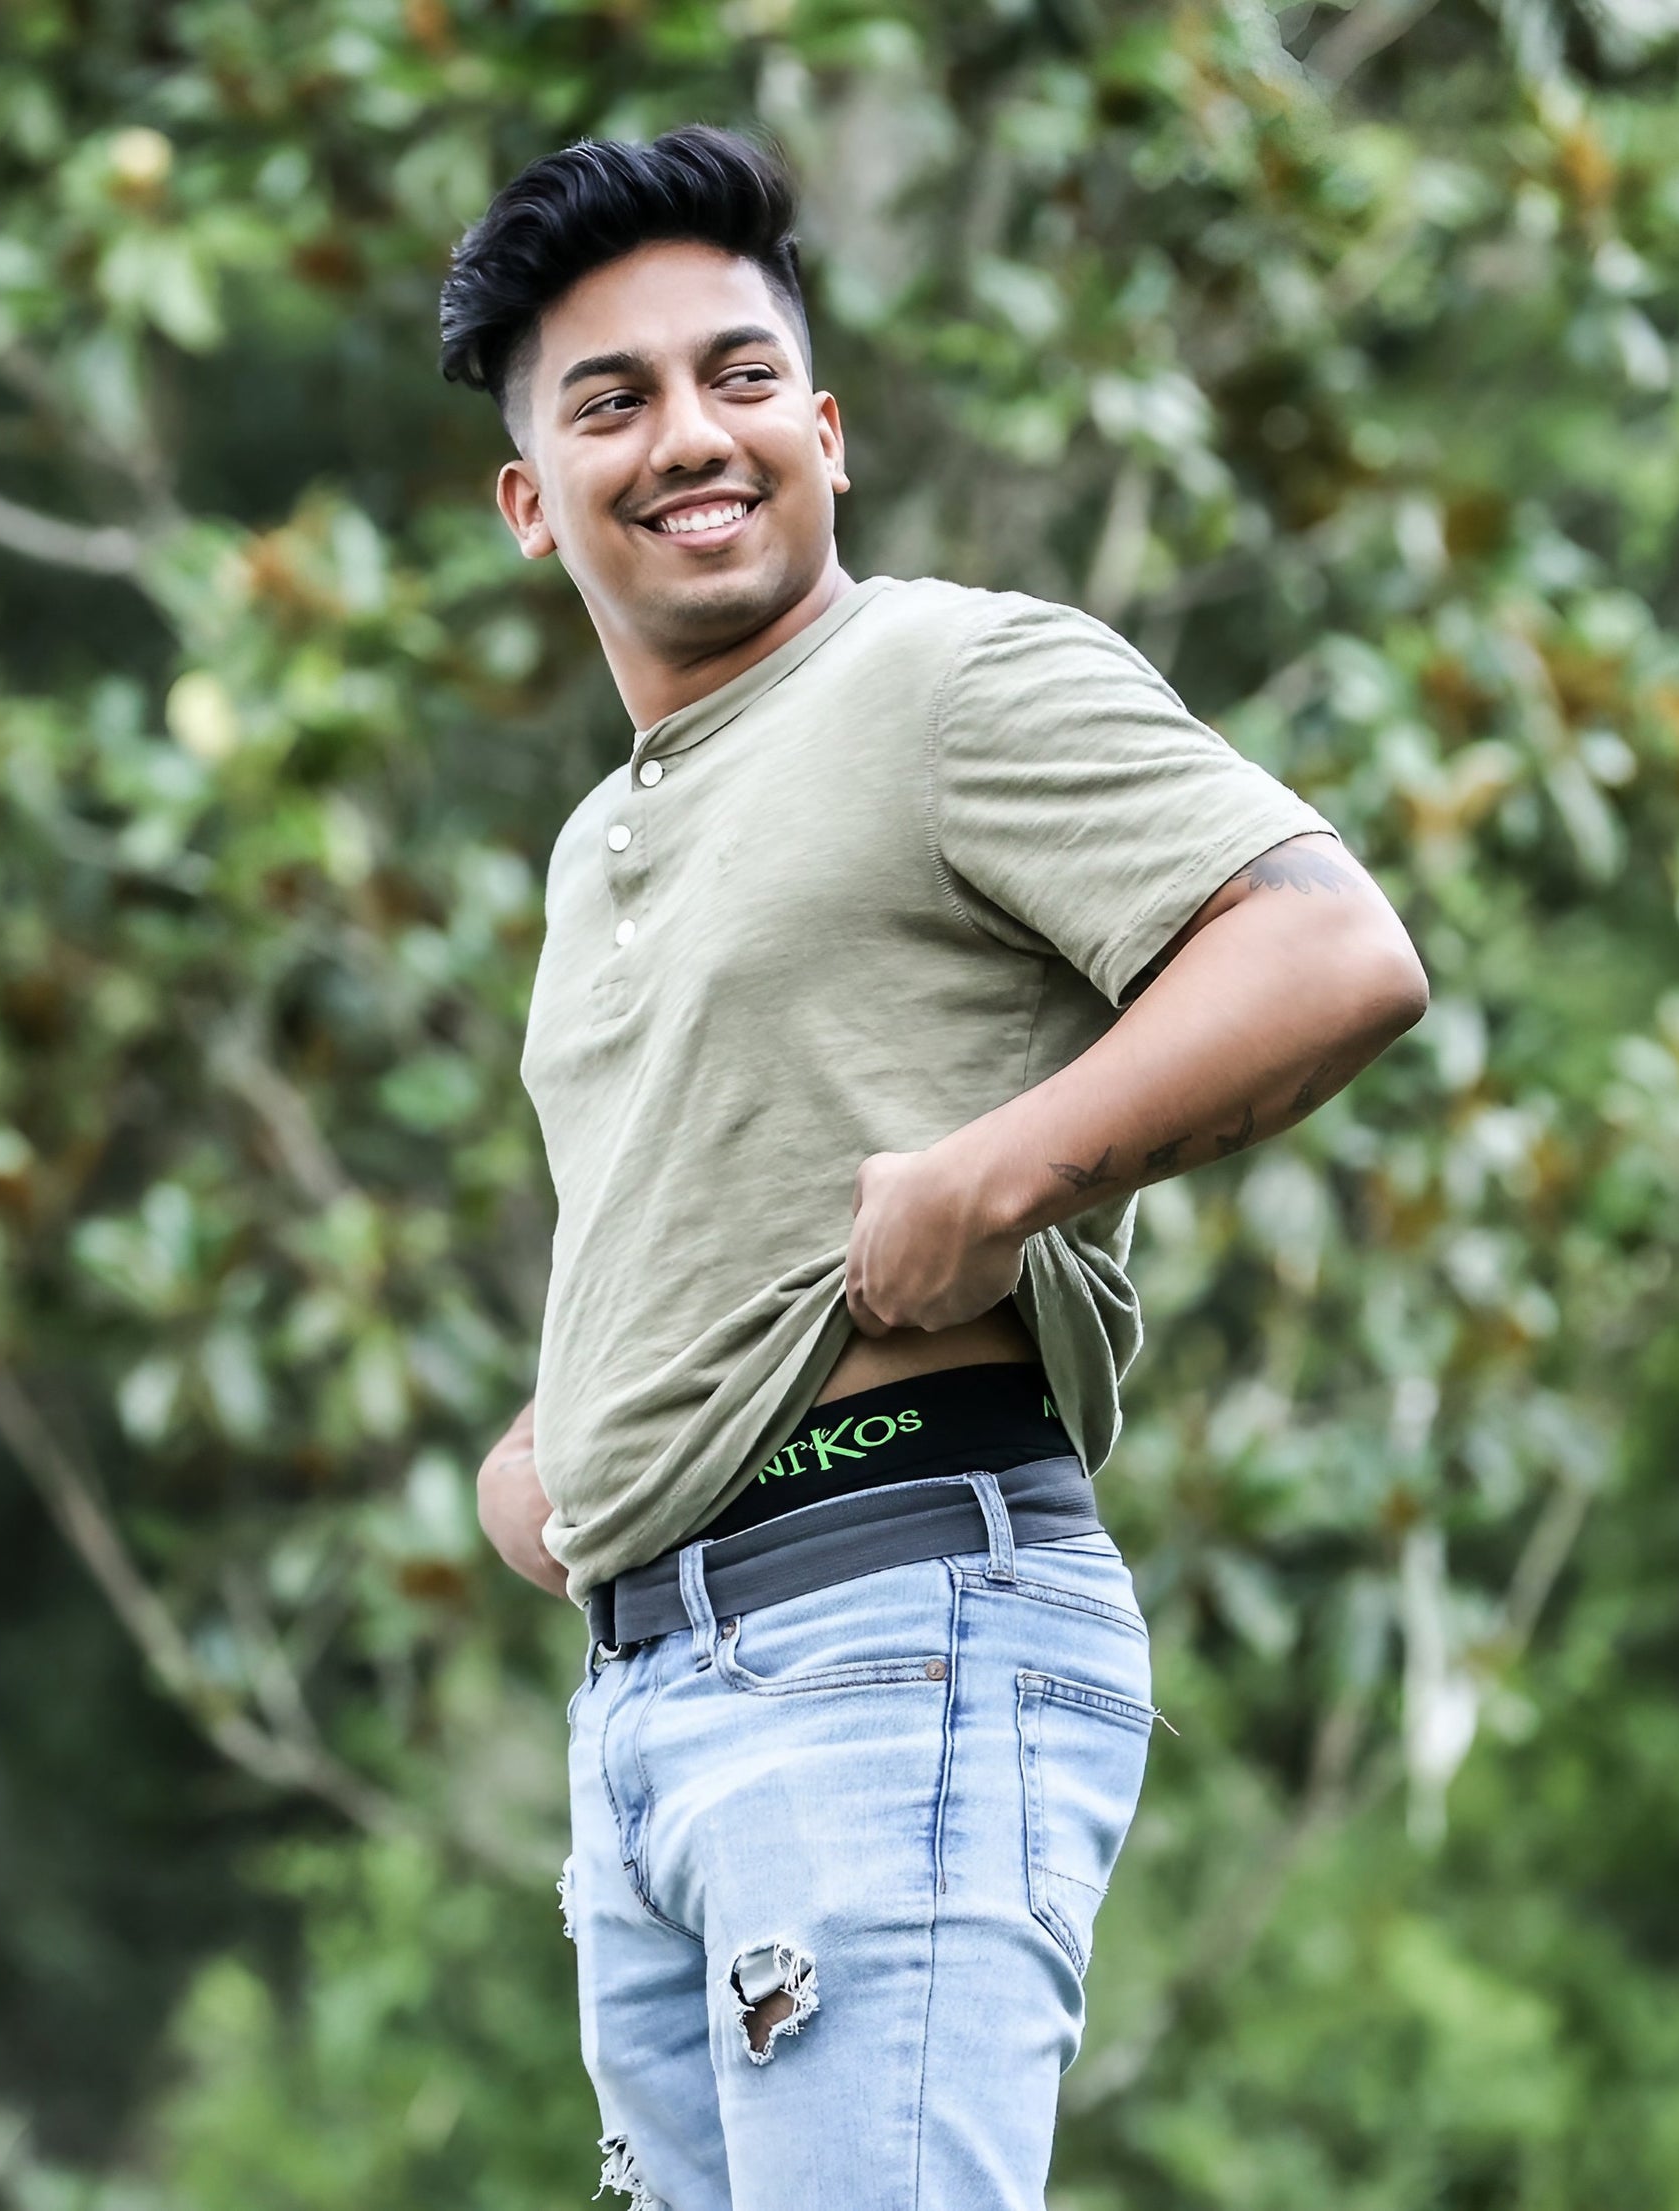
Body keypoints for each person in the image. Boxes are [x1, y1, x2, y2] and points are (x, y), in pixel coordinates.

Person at [440, 124, 1427, 2211]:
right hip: (654, 1698)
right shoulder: (602, 834)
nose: (687, 434)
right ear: (532, 501)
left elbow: (1329, 948)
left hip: (889, 1626)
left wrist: (994, 1177)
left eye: (734, 374)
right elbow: (724, 1173)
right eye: (610, 401)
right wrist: (571, 1445)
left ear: (826, 426)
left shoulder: (950, 675)